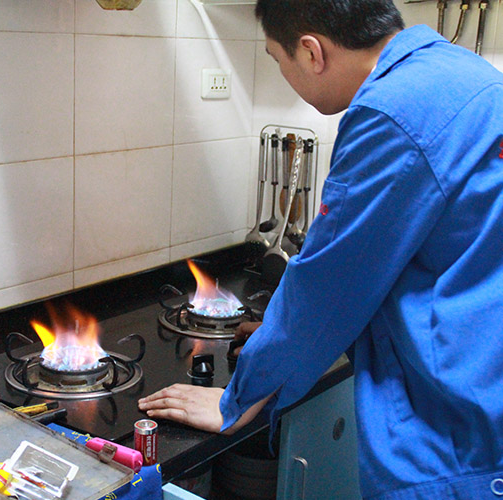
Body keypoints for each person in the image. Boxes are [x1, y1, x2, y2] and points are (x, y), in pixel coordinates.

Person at [139, 0, 503, 497]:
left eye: (276, 58)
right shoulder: (467, 74)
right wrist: (277, 336)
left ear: (311, 52)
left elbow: (328, 283)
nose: (283, 73)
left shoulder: (391, 112)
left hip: (455, 437)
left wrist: (236, 400)